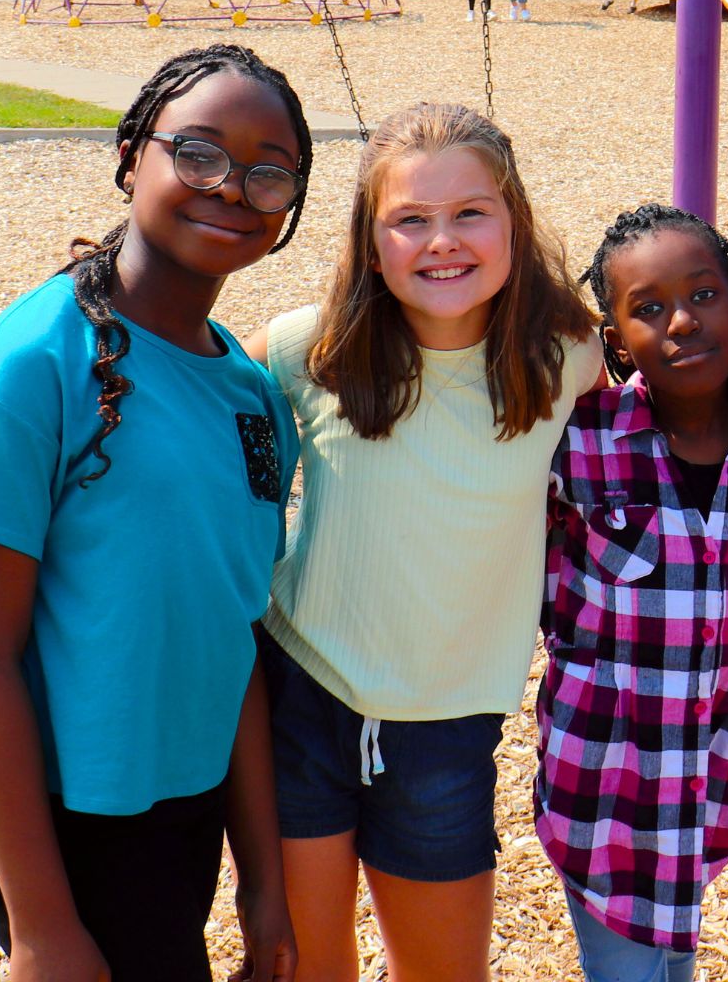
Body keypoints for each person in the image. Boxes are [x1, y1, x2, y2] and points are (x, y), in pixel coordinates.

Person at [0, 44, 314, 981]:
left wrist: (263, 884)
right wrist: (40, 927)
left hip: (182, 810)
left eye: (269, 173)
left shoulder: (252, 395)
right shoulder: (30, 368)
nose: (231, 188)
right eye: (198, 153)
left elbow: (233, 638)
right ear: (132, 155)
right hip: (59, 822)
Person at [248, 102, 599, 982]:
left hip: (446, 724)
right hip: (302, 692)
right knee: (304, 967)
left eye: (470, 212)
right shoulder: (308, 348)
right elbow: (192, 416)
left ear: (514, 223)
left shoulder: (571, 356)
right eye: (409, 219)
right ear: (371, 245)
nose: (442, 241)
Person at [540, 205, 728, 982]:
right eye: (649, 308)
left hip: (709, 792)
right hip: (602, 793)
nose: (683, 321)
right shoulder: (578, 440)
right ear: (615, 341)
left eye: (704, 295)